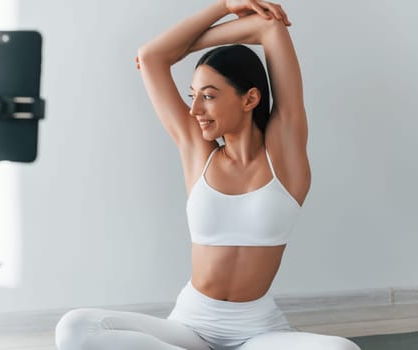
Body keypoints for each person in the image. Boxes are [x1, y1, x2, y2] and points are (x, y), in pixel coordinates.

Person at [55, 1, 361, 349]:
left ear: (250, 99)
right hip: (189, 327)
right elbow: (152, 57)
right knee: (75, 327)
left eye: (209, 96)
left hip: (257, 332)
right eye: (193, 96)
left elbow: (270, 29)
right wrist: (225, 6)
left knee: (341, 349)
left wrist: (195, 46)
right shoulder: (196, 152)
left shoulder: (285, 157)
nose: (195, 109)